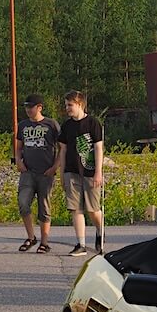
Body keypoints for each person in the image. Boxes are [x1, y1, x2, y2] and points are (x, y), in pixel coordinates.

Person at [58, 90, 105, 257]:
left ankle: (100, 231)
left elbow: (99, 147)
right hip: (71, 170)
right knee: (75, 208)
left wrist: (98, 172)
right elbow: (62, 150)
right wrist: (62, 173)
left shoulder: (93, 123)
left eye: (70, 105)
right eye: (66, 105)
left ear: (79, 104)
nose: (67, 108)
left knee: (93, 209)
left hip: (90, 171)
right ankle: (81, 244)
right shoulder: (66, 126)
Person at [15, 93, 61, 254]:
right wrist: (18, 160)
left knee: (44, 206)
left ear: (39, 107)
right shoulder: (23, 125)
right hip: (27, 172)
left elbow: (62, 147)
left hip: (46, 172)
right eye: (26, 106)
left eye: (31, 106)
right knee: (23, 202)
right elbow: (18, 146)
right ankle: (31, 237)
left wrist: (55, 166)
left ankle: (45, 242)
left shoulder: (51, 124)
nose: (28, 109)